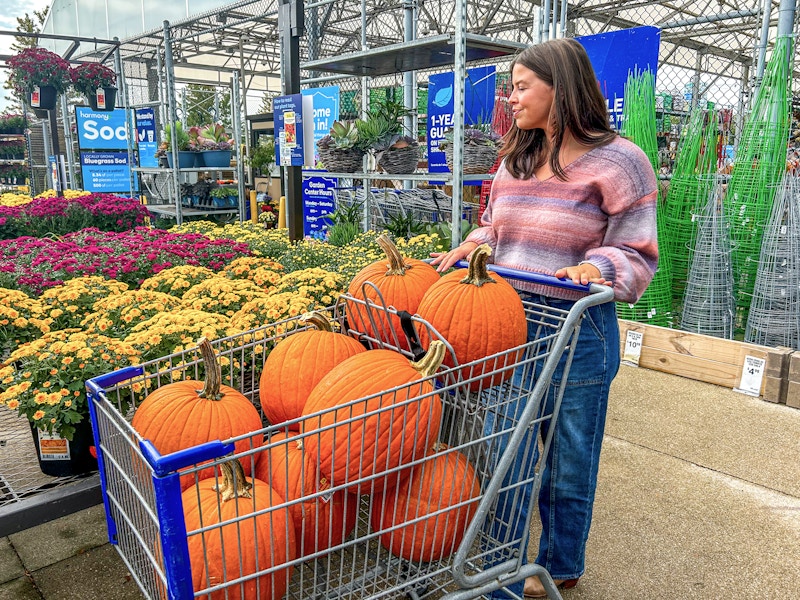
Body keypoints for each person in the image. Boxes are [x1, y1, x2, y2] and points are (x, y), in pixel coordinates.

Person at [431, 38, 658, 598]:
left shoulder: (621, 161)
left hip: (578, 332)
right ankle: (503, 564)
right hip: (508, 328)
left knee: (568, 457)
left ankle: (559, 565)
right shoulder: (515, 160)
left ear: (562, 88)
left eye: (522, 85)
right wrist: (474, 243)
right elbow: (497, 225)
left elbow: (636, 250)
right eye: (510, 86)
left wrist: (597, 266)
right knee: (501, 450)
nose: (510, 97)